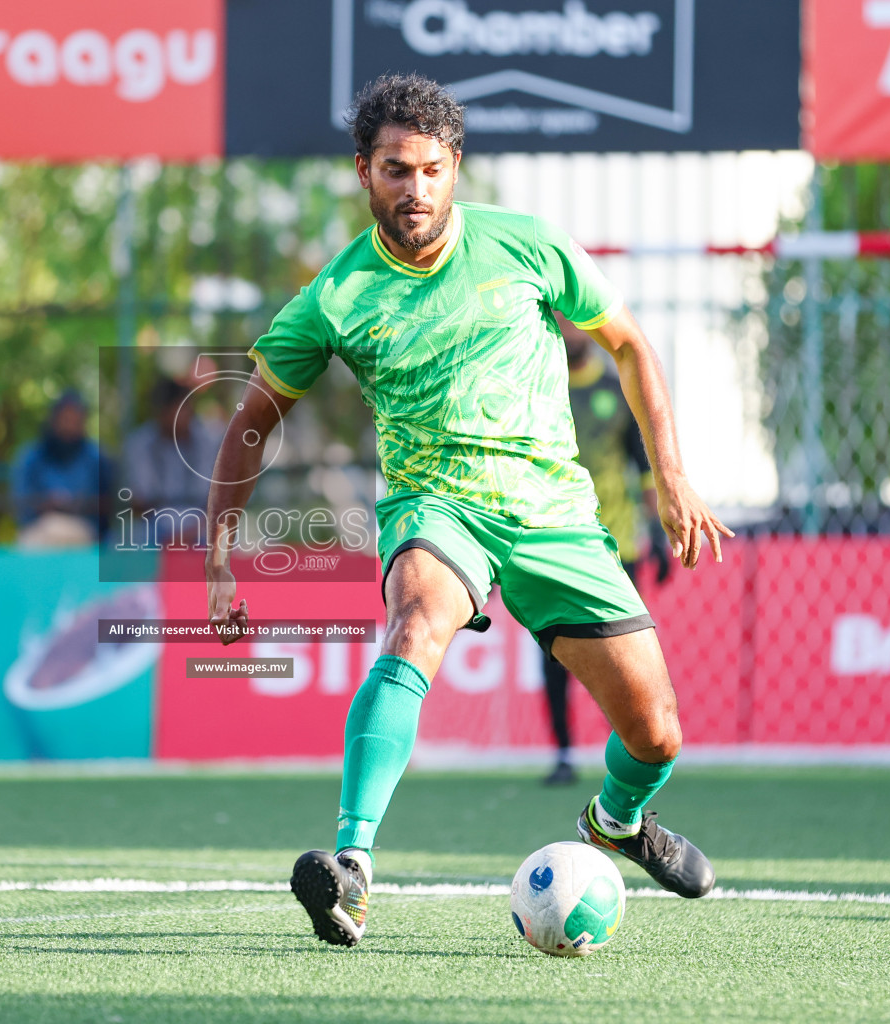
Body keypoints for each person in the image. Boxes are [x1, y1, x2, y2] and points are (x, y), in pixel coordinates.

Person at [203, 74, 732, 948]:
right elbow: (251, 423)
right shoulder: (335, 297)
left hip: (555, 512)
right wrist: (219, 558)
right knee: (414, 625)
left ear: (457, 168)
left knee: (657, 734)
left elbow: (630, 345)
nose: (415, 188)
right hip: (435, 506)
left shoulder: (525, 245)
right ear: (363, 173)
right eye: (395, 170)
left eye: (431, 169)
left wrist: (672, 476)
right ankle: (353, 869)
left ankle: (618, 824)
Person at [540, 315, 671, 786]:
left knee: (624, 660)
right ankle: (564, 753)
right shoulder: (539, 388)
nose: (570, 332)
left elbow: (642, 468)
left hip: (616, 547)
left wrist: (656, 534)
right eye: (561, 324)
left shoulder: (617, 391)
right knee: (554, 656)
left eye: (576, 324)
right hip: (553, 543)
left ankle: (631, 752)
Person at [122, 376, 223, 546]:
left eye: (186, 409)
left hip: (200, 522)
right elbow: (139, 502)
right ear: (161, 412)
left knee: (227, 540)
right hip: (156, 523)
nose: (183, 415)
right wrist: (171, 536)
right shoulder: (140, 443)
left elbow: (217, 501)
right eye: (176, 409)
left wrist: (192, 532)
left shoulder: (208, 442)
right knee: (128, 540)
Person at [11, 390, 111, 546]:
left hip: (85, 531)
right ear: (53, 421)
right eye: (65, 420)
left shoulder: (96, 458)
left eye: (75, 422)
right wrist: (48, 504)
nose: (69, 428)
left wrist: (76, 505)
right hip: (38, 529)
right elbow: (21, 503)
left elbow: (109, 505)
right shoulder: (31, 457)